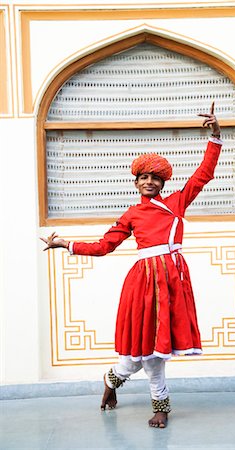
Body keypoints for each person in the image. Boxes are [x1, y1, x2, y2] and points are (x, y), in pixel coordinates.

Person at [41, 102, 222, 429]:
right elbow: (103, 245)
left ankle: (120, 386)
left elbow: (204, 175)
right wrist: (66, 244)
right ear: (136, 182)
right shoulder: (131, 214)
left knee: (147, 355)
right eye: (144, 177)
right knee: (144, 355)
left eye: (155, 177)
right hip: (143, 283)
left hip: (172, 279)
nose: (149, 181)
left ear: (162, 183)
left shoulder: (176, 203)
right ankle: (145, 398)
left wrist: (215, 136)